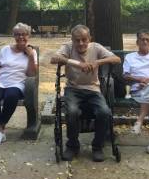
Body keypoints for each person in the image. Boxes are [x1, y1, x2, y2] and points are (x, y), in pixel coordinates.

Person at [50, 25, 121, 162]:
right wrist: (76, 63)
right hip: (73, 89)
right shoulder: (68, 47)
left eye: (84, 39)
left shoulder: (96, 47)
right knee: (71, 111)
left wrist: (97, 62)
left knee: (104, 112)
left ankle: (97, 146)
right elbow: (54, 59)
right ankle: (72, 145)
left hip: (93, 89)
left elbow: (116, 59)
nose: (81, 43)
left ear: (89, 39)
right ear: (72, 40)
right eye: (77, 40)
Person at [0, 23, 38, 146]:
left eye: (24, 34)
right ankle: (0, 130)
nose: (21, 37)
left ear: (28, 36)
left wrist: (30, 56)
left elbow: (31, 74)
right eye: (18, 34)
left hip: (17, 84)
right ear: (14, 36)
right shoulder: (5, 49)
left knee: (11, 96)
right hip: (1, 81)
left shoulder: (32, 52)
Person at [122, 31, 149, 154]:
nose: (145, 41)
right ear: (137, 42)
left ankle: (139, 121)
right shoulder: (129, 57)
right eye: (142, 39)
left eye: (148, 39)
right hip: (139, 91)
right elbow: (125, 75)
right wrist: (139, 79)